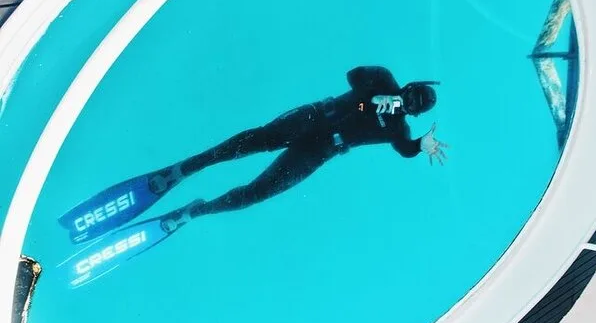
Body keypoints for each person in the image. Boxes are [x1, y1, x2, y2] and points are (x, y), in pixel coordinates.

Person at [58, 66, 448, 286]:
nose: (408, 102)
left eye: (414, 106)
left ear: (414, 113)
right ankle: (184, 170)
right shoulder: (382, 80)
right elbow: (354, 74)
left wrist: (422, 145)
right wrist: (372, 99)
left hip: (321, 150)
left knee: (260, 192)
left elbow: (405, 149)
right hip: (313, 118)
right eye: (412, 94)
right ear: (409, 86)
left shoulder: (397, 128)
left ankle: (193, 211)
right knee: (254, 142)